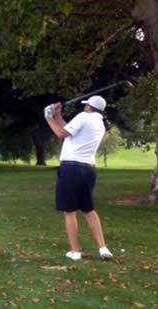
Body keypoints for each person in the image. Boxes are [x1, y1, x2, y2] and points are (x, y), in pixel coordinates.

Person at [44, 96, 113, 261]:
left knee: (70, 211)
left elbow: (61, 133)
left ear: (89, 107)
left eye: (85, 106)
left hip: (71, 169)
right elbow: (69, 131)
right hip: (89, 170)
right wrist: (58, 116)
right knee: (88, 210)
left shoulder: (84, 117)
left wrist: (48, 117)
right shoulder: (100, 124)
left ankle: (75, 252)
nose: (84, 109)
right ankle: (103, 249)